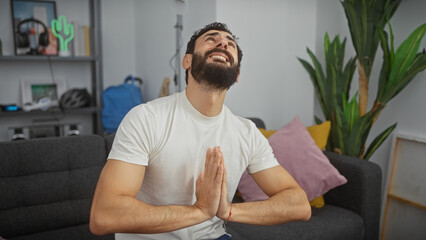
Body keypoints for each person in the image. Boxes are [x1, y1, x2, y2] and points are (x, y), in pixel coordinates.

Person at [90, 22, 311, 240]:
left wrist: (227, 211)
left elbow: (299, 205)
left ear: (237, 74)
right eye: (211, 39)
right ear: (187, 61)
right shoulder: (146, 118)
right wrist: (200, 211)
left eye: (229, 43)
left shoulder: (247, 132)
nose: (222, 43)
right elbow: (104, 216)